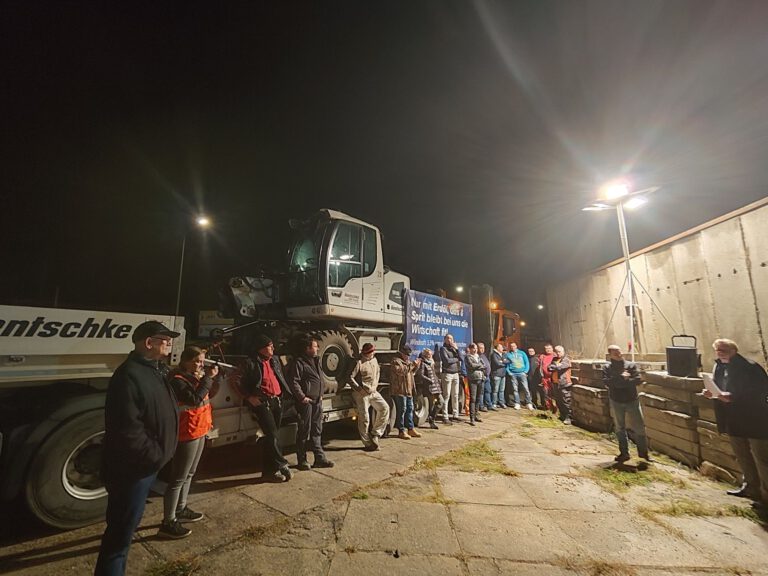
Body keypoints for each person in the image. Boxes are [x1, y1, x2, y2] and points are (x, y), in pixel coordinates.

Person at [95, 321, 180, 576]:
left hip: (146, 468)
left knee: (126, 530)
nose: (169, 342)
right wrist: (155, 456)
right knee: (119, 538)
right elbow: (127, 431)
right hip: (133, 471)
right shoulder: (129, 375)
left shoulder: (155, 370)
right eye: (165, 339)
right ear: (148, 342)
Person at [159, 346, 220, 539]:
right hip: (188, 432)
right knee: (178, 477)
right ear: (185, 361)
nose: (200, 365)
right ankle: (168, 521)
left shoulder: (195, 377)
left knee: (190, 473)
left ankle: (181, 508)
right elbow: (194, 399)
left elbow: (207, 395)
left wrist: (209, 379)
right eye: (196, 361)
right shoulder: (178, 380)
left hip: (200, 429)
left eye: (202, 361)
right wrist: (208, 379)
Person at [704, 338, 768, 507]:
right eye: (717, 349)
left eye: (723, 349)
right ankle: (751, 488)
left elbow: (760, 391)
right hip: (733, 418)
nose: (720, 352)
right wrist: (712, 392)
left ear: (734, 350)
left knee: (762, 458)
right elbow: (718, 386)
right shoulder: (719, 366)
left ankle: (766, 496)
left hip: (754, 418)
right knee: (742, 455)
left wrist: (733, 397)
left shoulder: (750, 367)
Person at [241, 334, 293, 482]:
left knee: (272, 438)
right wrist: (249, 397)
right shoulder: (250, 362)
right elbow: (236, 380)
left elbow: (280, 376)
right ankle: (282, 463)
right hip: (263, 403)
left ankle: (269, 472)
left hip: (277, 401)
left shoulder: (274, 360)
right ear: (261, 348)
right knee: (272, 435)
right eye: (270, 346)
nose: (273, 348)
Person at [287, 334, 334, 470]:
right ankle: (302, 460)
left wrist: (320, 395)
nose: (317, 348)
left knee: (317, 430)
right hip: (305, 403)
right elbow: (294, 381)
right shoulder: (299, 363)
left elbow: (319, 379)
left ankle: (319, 458)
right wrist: (302, 397)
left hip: (317, 401)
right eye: (315, 346)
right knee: (304, 430)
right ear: (307, 348)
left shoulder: (316, 361)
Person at [602, 345, 649, 462]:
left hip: (631, 400)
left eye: (619, 351)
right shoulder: (607, 368)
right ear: (610, 354)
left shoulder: (630, 365)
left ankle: (643, 454)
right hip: (616, 400)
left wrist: (624, 381)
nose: (619, 353)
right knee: (620, 428)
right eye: (615, 352)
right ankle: (624, 453)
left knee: (639, 427)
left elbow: (638, 380)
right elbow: (607, 382)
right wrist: (621, 378)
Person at [348, 343, 390, 450]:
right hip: (362, 394)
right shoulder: (359, 363)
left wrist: (375, 386)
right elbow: (350, 378)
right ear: (367, 353)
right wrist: (359, 389)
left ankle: (376, 434)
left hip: (373, 391)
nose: (374, 353)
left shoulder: (374, 360)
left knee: (385, 408)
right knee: (364, 418)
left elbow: (377, 373)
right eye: (372, 352)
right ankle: (367, 443)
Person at [391, 344, 422, 439]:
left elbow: (412, 373)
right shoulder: (396, 361)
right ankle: (401, 430)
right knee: (402, 410)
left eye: (408, 355)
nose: (407, 356)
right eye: (406, 354)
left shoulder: (407, 362)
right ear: (401, 353)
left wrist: (416, 366)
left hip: (408, 390)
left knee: (410, 409)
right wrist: (413, 365)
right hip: (399, 390)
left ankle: (410, 428)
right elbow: (401, 371)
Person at [416, 348, 447, 429]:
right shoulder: (423, 363)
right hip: (429, 387)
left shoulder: (431, 362)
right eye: (429, 354)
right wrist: (429, 380)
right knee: (431, 405)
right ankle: (431, 421)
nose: (430, 355)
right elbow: (421, 375)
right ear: (425, 355)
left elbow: (433, 374)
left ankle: (432, 417)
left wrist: (437, 380)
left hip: (436, 386)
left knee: (441, 402)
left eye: (431, 354)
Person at [439, 334, 463, 423]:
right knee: (446, 395)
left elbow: (461, 358)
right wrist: (456, 359)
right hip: (447, 374)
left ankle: (455, 415)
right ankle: (445, 416)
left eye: (451, 339)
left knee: (455, 395)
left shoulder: (454, 349)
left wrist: (457, 349)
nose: (450, 340)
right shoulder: (443, 349)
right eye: (448, 338)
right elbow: (446, 361)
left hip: (456, 374)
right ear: (445, 340)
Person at [504, 342, 533, 410]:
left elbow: (526, 362)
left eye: (514, 346)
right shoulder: (508, 354)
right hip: (513, 374)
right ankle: (517, 403)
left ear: (516, 346)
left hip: (522, 373)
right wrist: (509, 372)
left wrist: (525, 371)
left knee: (525, 388)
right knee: (515, 389)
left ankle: (528, 403)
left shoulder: (522, 353)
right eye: (511, 346)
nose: (512, 347)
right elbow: (507, 364)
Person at [548, 345, 573, 424]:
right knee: (558, 401)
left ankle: (568, 418)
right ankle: (562, 415)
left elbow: (560, 367)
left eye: (559, 352)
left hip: (564, 384)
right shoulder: (555, 359)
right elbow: (549, 368)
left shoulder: (566, 359)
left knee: (565, 401)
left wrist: (555, 366)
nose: (558, 353)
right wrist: (555, 365)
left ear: (563, 351)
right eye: (556, 352)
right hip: (555, 383)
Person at [464, 343, 486, 426]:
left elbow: (484, 365)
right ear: (470, 349)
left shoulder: (478, 356)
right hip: (473, 379)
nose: (475, 350)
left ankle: (477, 415)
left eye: (476, 348)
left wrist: (479, 366)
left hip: (480, 378)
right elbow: (471, 366)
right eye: (473, 348)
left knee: (478, 398)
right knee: (472, 399)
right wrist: (479, 366)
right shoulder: (468, 357)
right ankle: (471, 418)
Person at [539, 344, 557, 413]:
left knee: (554, 394)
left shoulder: (555, 356)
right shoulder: (542, 357)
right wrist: (542, 377)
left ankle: (556, 409)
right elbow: (540, 367)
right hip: (545, 379)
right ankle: (549, 408)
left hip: (553, 379)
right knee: (546, 394)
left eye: (549, 348)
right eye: (546, 348)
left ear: (552, 349)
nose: (548, 350)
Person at [490, 343, 507, 409]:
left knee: (502, 390)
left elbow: (509, 361)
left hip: (503, 375)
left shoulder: (503, 354)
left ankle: (501, 402)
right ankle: (494, 403)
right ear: (497, 348)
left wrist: (502, 362)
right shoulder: (494, 355)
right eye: (501, 347)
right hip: (497, 374)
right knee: (495, 390)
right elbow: (497, 364)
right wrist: (503, 363)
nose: (502, 348)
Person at [478, 342, 493, 411]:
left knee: (488, 391)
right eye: (481, 348)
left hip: (487, 377)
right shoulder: (477, 356)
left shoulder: (484, 356)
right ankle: (481, 406)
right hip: (481, 377)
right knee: (481, 392)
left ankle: (489, 405)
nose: (482, 350)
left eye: (483, 348)